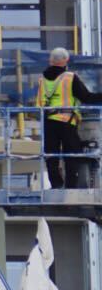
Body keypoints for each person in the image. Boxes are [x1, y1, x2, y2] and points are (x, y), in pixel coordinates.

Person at [40, 47, 100, 189]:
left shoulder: (42, 79)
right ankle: (71, 186)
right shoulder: (69, 77)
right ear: (66, 60)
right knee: (72, 153)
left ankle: (56, 185)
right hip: (66, 120)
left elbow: (40, 102)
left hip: (48, 121)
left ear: (51, 61)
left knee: (51, 155)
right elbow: (86, 97)